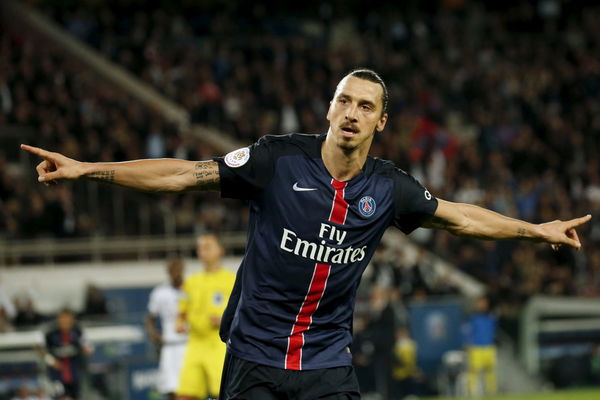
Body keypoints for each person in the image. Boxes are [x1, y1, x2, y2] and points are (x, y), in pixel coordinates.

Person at [21, 69, 591, 399]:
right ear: (329, 107)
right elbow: (183, 174)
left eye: (365, 106)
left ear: (380, 122)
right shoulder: (276, 160)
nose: (351, 112)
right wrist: (87, 168)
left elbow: (461, 216)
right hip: (254, 359)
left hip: (327, 363)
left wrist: (532, 229)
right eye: (344, 100)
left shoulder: (389, 189)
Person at [175, 234, 235, 400]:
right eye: (200, 247)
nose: (203, 251)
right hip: (195, 343)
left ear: (220, 250)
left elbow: (242, 312)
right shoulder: (191, 281)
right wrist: (179, 322)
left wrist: (226, 321)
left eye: (208, 246)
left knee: (222, 393)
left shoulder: (232, 280)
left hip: (218, 343)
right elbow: (182, 310)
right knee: (185, 394)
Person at [146, 259, 187, 400]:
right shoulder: (160, 292)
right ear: (169, 272)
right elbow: (150, 319)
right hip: (170, 346)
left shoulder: (191, 289)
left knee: (190, 388)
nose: (176, 273)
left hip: (188, 345)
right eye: (173, 270)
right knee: (171, 389)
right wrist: (154, 335)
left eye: (179, 270)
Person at [42, 308, 92, 400]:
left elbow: (87, 345)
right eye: (62, 318)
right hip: (57, 374)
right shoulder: (51, 334)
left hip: (74, 373)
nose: (65, 321)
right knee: (59, 396)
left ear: (72, 319)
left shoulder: (77, 332)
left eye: (67, 319)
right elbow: (42, 351)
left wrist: (86, 348)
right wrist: (52, 361)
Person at [464, 296, 497, 396]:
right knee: (473, 370)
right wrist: (467, 344)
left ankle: (492, 392)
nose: (482, 305)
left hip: (489, 347)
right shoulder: (472, 317)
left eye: (484, 303)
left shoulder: (491, 317)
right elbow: (467, 332)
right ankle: (470, 392)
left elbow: (494, 331)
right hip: (476, 348)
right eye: (480, 303)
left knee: (490, 370)